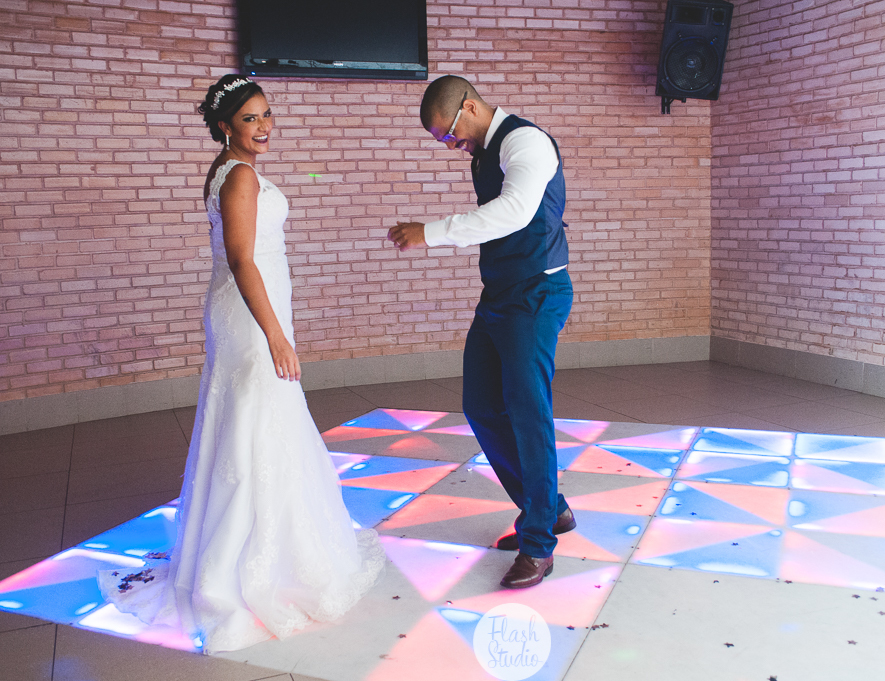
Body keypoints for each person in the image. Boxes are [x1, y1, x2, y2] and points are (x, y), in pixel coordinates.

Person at [97, 75, 384, 653]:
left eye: (267, 115)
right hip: (251, 316)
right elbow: (242, 260)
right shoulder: (241, 177)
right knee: (259, 417)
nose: (265, 127)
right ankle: (251, 566)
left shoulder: (228, 169)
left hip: (248, 309)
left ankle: (259, 541)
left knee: (257, 422)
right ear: (227, 125)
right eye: (251, 119)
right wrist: (275, 333)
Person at [388, 75, 575, 589]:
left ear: (469, 106)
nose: (453, 147)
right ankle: (550, 508)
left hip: (536, 294)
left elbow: (514, 213)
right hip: (500, 296)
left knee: (528, 412)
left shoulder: (525, 142)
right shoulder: (484, 151)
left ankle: (539, 542)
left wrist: (430, 232)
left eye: (450, 135)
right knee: (481, 405)